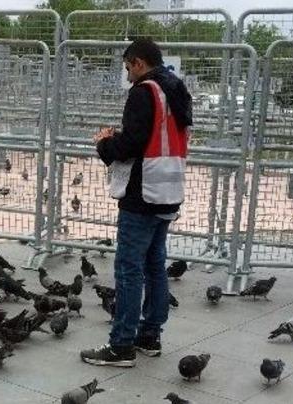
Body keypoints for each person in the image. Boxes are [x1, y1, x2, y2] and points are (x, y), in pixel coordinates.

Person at [80, 38, 192, 367]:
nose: (128, 74)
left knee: (129, 270)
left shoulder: (144, 91)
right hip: (169, 189)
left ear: (139, 63)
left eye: (128, 67)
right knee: (154, 266)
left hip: (142, 193)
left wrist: (104, 144)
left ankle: (121, 345)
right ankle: (150, 335)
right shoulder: (177, 89)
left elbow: (131, 144)